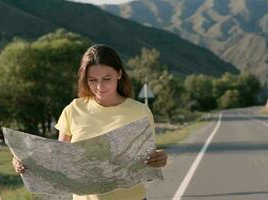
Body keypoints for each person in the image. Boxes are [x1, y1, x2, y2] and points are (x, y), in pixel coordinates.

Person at [13, 44, 167, 200]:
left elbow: (147, 173)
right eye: (92, 80)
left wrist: (157, 161)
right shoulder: (73, 110)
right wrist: (26, 162)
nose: (100, 87)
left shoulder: (140, 111)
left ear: (119, 73)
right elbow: (60, 163)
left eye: (107, 78)